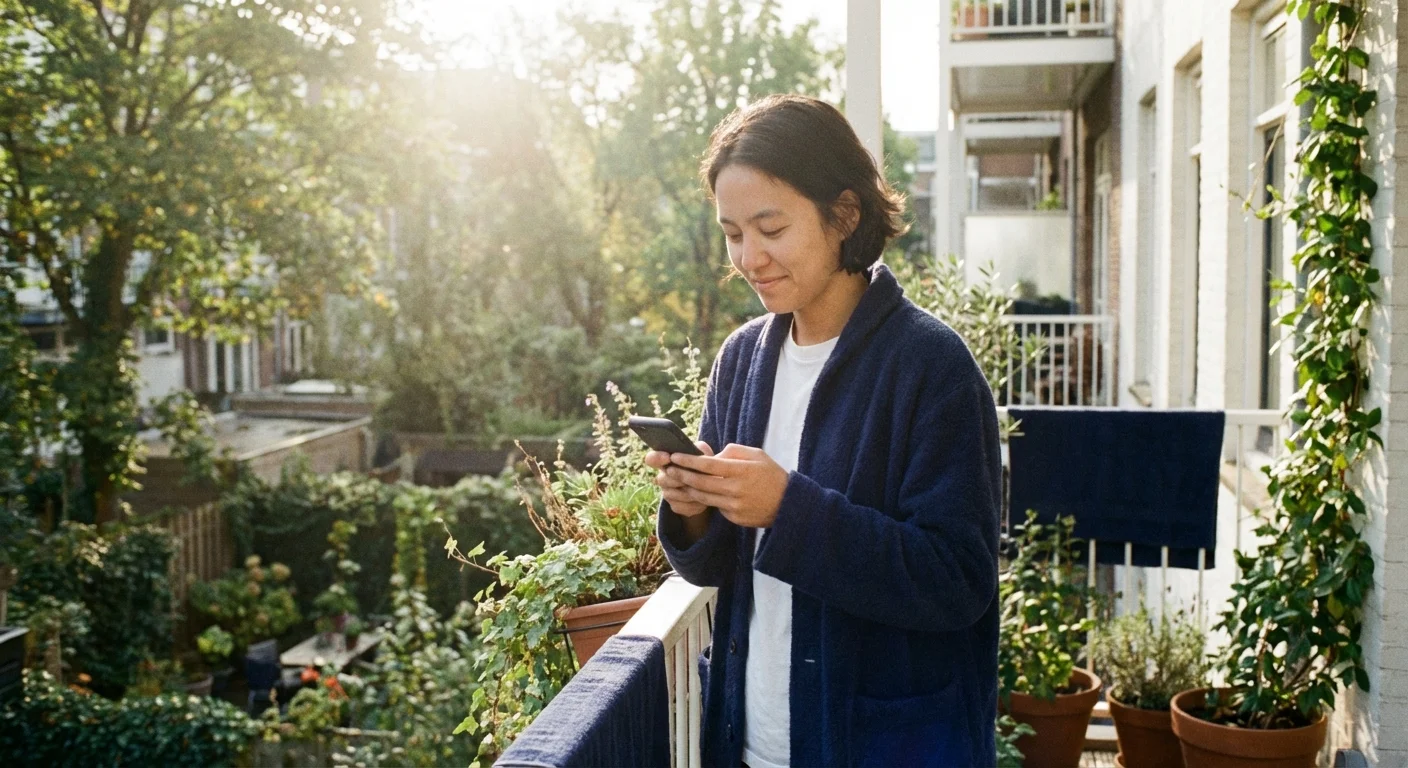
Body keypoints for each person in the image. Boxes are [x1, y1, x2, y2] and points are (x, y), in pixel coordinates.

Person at [644, 94, 1002, 768]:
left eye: (770, 228)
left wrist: (788, 508)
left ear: (844, 214)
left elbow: (958, 580)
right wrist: (691, 511)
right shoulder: (741, 360)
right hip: (749, 741)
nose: (749, 257)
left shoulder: (930, 365)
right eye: (732, 233)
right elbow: (719, 568)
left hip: (883, 746)